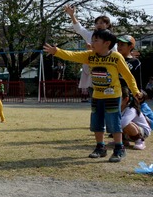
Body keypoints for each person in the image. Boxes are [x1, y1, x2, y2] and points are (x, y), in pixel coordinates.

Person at [44, 29, 145, 162]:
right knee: (96, 122)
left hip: (113, 96)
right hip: (97, 95)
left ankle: (119, 148)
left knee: (114, 122)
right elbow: (72, 55)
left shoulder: (116, 57)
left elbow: (128, 76)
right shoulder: (90, 55)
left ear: (107, 43)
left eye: (95, 40)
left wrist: (136, 91)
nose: (92, 43)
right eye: (92, 40)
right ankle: (100, 147)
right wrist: (57, 52)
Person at [64, 4, 113, 102]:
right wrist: (72, 15)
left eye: (102, 22)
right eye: (97, 23)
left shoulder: (111, 38)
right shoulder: (91, 35)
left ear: (107, 25)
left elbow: (114, 54)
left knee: (107, 103)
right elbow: (79, 29)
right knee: (95, 103)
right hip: (93, 73)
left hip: (107, 75)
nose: (99, 24)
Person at [120, 86, 150, 150]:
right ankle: (123, 141)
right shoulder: (118, 109)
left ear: (126, 99)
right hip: (132, 132)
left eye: (118, 98)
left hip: (143, 132)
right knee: (117, 121)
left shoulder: (131, 109)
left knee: (126, 123)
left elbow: (123, 123)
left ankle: (140, 141)